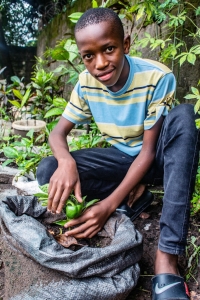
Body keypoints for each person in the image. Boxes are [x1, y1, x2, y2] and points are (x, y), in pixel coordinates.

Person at [36, 7, 199, 300]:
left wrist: (108, 205)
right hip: (123, 160)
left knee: (184, 117)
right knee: (49, 171)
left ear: (125, 45)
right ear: (82, 57)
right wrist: (66, 160)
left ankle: (167, 256)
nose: (100, 63)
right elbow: (57, 133)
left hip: (157, 159)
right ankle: (136, 196)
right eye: (89, 56)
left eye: (109, 49)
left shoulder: (156, 76)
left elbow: (148, 152)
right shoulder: (86, 85)